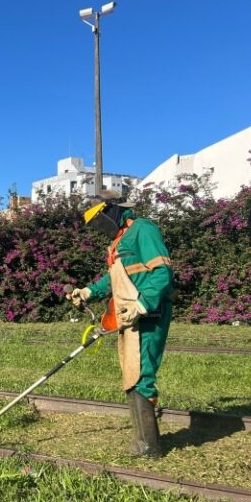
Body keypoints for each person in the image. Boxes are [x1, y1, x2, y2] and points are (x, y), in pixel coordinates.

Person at [68, 195, 174, 457]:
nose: (99, 228)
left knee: (141, 373)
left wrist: (143, 304)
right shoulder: (119, 242)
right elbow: (115, 278)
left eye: (99, 220)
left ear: (112, 211)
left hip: (147, 315)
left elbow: (162, 272)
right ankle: (142, 441)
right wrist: (88, 292)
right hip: (129, 316)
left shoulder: (143, 229)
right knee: (131, 371)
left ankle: (149, 446)